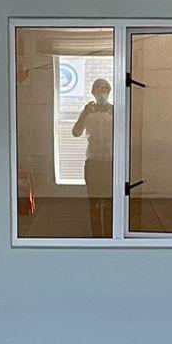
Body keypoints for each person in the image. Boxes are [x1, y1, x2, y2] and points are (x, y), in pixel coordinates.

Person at [72, 78, 114, 237]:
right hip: (93, 163)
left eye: (105, 89)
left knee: (110, 203)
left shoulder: (115, 111)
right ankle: (96, 237)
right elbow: (76, 132)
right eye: (98, 90)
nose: (102, 93)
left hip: (111, 162)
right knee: (94, 203)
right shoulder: (88, 112)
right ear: (93, 92)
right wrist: (84, 113)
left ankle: (110, 238)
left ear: (109, 91)